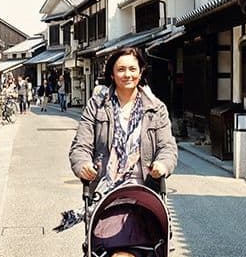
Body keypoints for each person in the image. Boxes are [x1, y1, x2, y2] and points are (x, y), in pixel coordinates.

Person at [69, 47, 177, 196]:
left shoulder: (156, 109)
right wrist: (83, 164)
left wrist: (163, 164)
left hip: (145, 190)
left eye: (133, 69)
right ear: (112, 74)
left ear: (140, 72)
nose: (127, 74)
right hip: (104, 190)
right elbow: (81, 145)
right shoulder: (96, 106)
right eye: (121, 69)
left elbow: (167, 147)